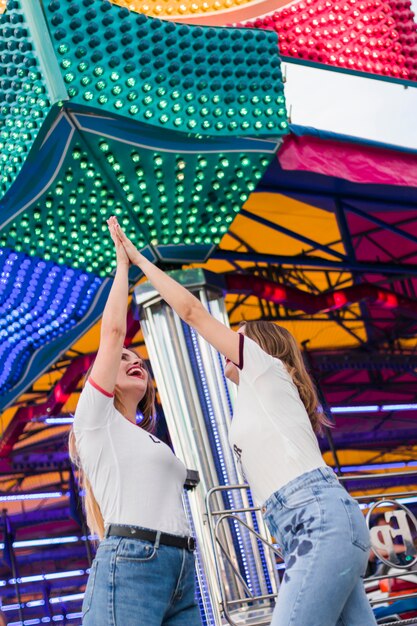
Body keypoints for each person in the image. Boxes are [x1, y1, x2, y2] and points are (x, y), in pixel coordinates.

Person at [111, 215, 377, 626]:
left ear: (257, 346)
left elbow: (192, 312)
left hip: (315, 519)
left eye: (236, 336)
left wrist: (139, 263)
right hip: (309, 522)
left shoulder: (264, 367)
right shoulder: (263, 394)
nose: (225, 346)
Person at [69, 218, 201, 626]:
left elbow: (186, 477)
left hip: (181, 567)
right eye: (124, 358)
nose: (134, 360)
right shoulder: (95, 421)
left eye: (138, 359)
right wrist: (124, 265)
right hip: (131, 561)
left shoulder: (148, 441)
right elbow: (111, 334)